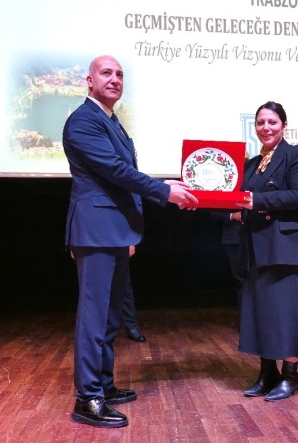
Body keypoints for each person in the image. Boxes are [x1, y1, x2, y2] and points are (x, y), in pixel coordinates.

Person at [63, 55, 197, 428]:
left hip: (115, 231)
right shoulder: (84, 121)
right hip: (96, 231)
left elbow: (124, 174)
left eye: (120, 74)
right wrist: (164, 191)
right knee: (93, 318)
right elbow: (116, 171)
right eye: (106, 73)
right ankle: (87, 398)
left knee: (109, 317)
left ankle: (103, 385)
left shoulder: (111, 121)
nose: (115, 79)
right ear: (89, 80)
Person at [235, 101, 298, 401]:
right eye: (260, 123)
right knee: (263, 312)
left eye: (272, 122)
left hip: (287, 248)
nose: (266, 128)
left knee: (288, 313)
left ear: (284, 126)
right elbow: (236, 200)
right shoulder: (250, 165)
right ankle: (267, 373)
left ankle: (290, 375)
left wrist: (255, 201)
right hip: (257, 247)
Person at [122, 246, 146, 342]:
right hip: (95, 245)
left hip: (119, 244)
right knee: (96, 290)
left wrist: (131, 243)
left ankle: (131, 326)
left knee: (124, 286)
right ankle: (96, 329)